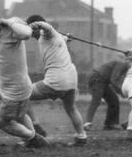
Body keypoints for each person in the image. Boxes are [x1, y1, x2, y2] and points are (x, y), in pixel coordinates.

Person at [0, 12, 49, 148]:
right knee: (20, 116)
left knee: (1, 122)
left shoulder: (11, 28)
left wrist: (9, 22)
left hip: (16, 90)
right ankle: (32, 139)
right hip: (13, 88)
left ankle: (33, 138)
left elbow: (27, 33)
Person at [24, 15, 87, 145]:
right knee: (71, 108)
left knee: (21, 95)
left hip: (56, 80)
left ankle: (35, 126)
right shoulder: (55, 36)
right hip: (71, 80)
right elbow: (61, 38)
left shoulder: (46, 34)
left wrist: (38, 24)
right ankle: (82, 136)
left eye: (29, 29)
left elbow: (47, 27)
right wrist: (68, 38)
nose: (28, 32)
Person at [83, 57, 132, 131]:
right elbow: (113, 80)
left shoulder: (125, 69)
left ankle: (110, 124)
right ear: (129, 61)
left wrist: (122, 91)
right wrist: (122, 92)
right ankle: (87, 124)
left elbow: (117, 81)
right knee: (96, 100)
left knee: (114, 100)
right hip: (97, 78)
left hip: (104, 81)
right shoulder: (121, 64)